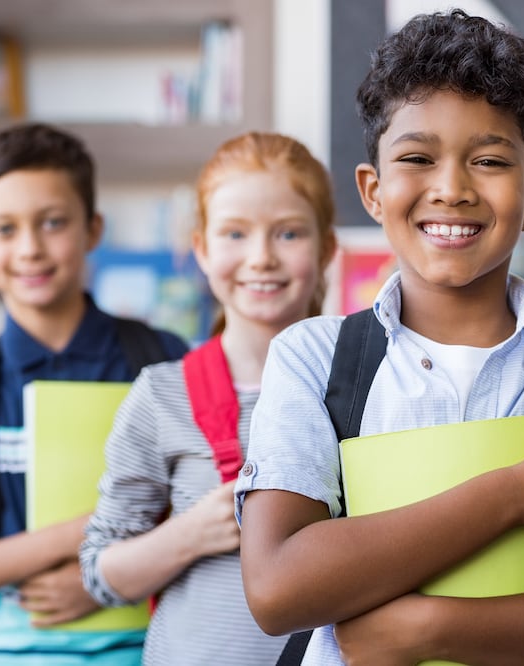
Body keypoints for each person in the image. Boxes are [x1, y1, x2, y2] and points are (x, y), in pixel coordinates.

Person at [236, 10, 524, 665]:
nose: (450, 189)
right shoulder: (313, 357)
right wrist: (518, 494)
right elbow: (279, 587)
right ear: (372, 190)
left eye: (489, 161)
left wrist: (427, 629)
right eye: (417, 158)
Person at [0, 123, 188, 665]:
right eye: (4, 229)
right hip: (17, 652)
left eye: (53, 223)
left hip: (159, 647)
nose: (30, 249)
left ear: (92, 228)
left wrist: (102, 579)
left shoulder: (165, 360)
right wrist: (82, 535)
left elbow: (210, 509)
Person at [78, 132, 338, 665]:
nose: (261, 258)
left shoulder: (369, 385)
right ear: (201, 249)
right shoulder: (160, 395)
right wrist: (191, 534)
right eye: (235, 234)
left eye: (288, 233)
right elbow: (101, 573)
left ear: (327, 248)